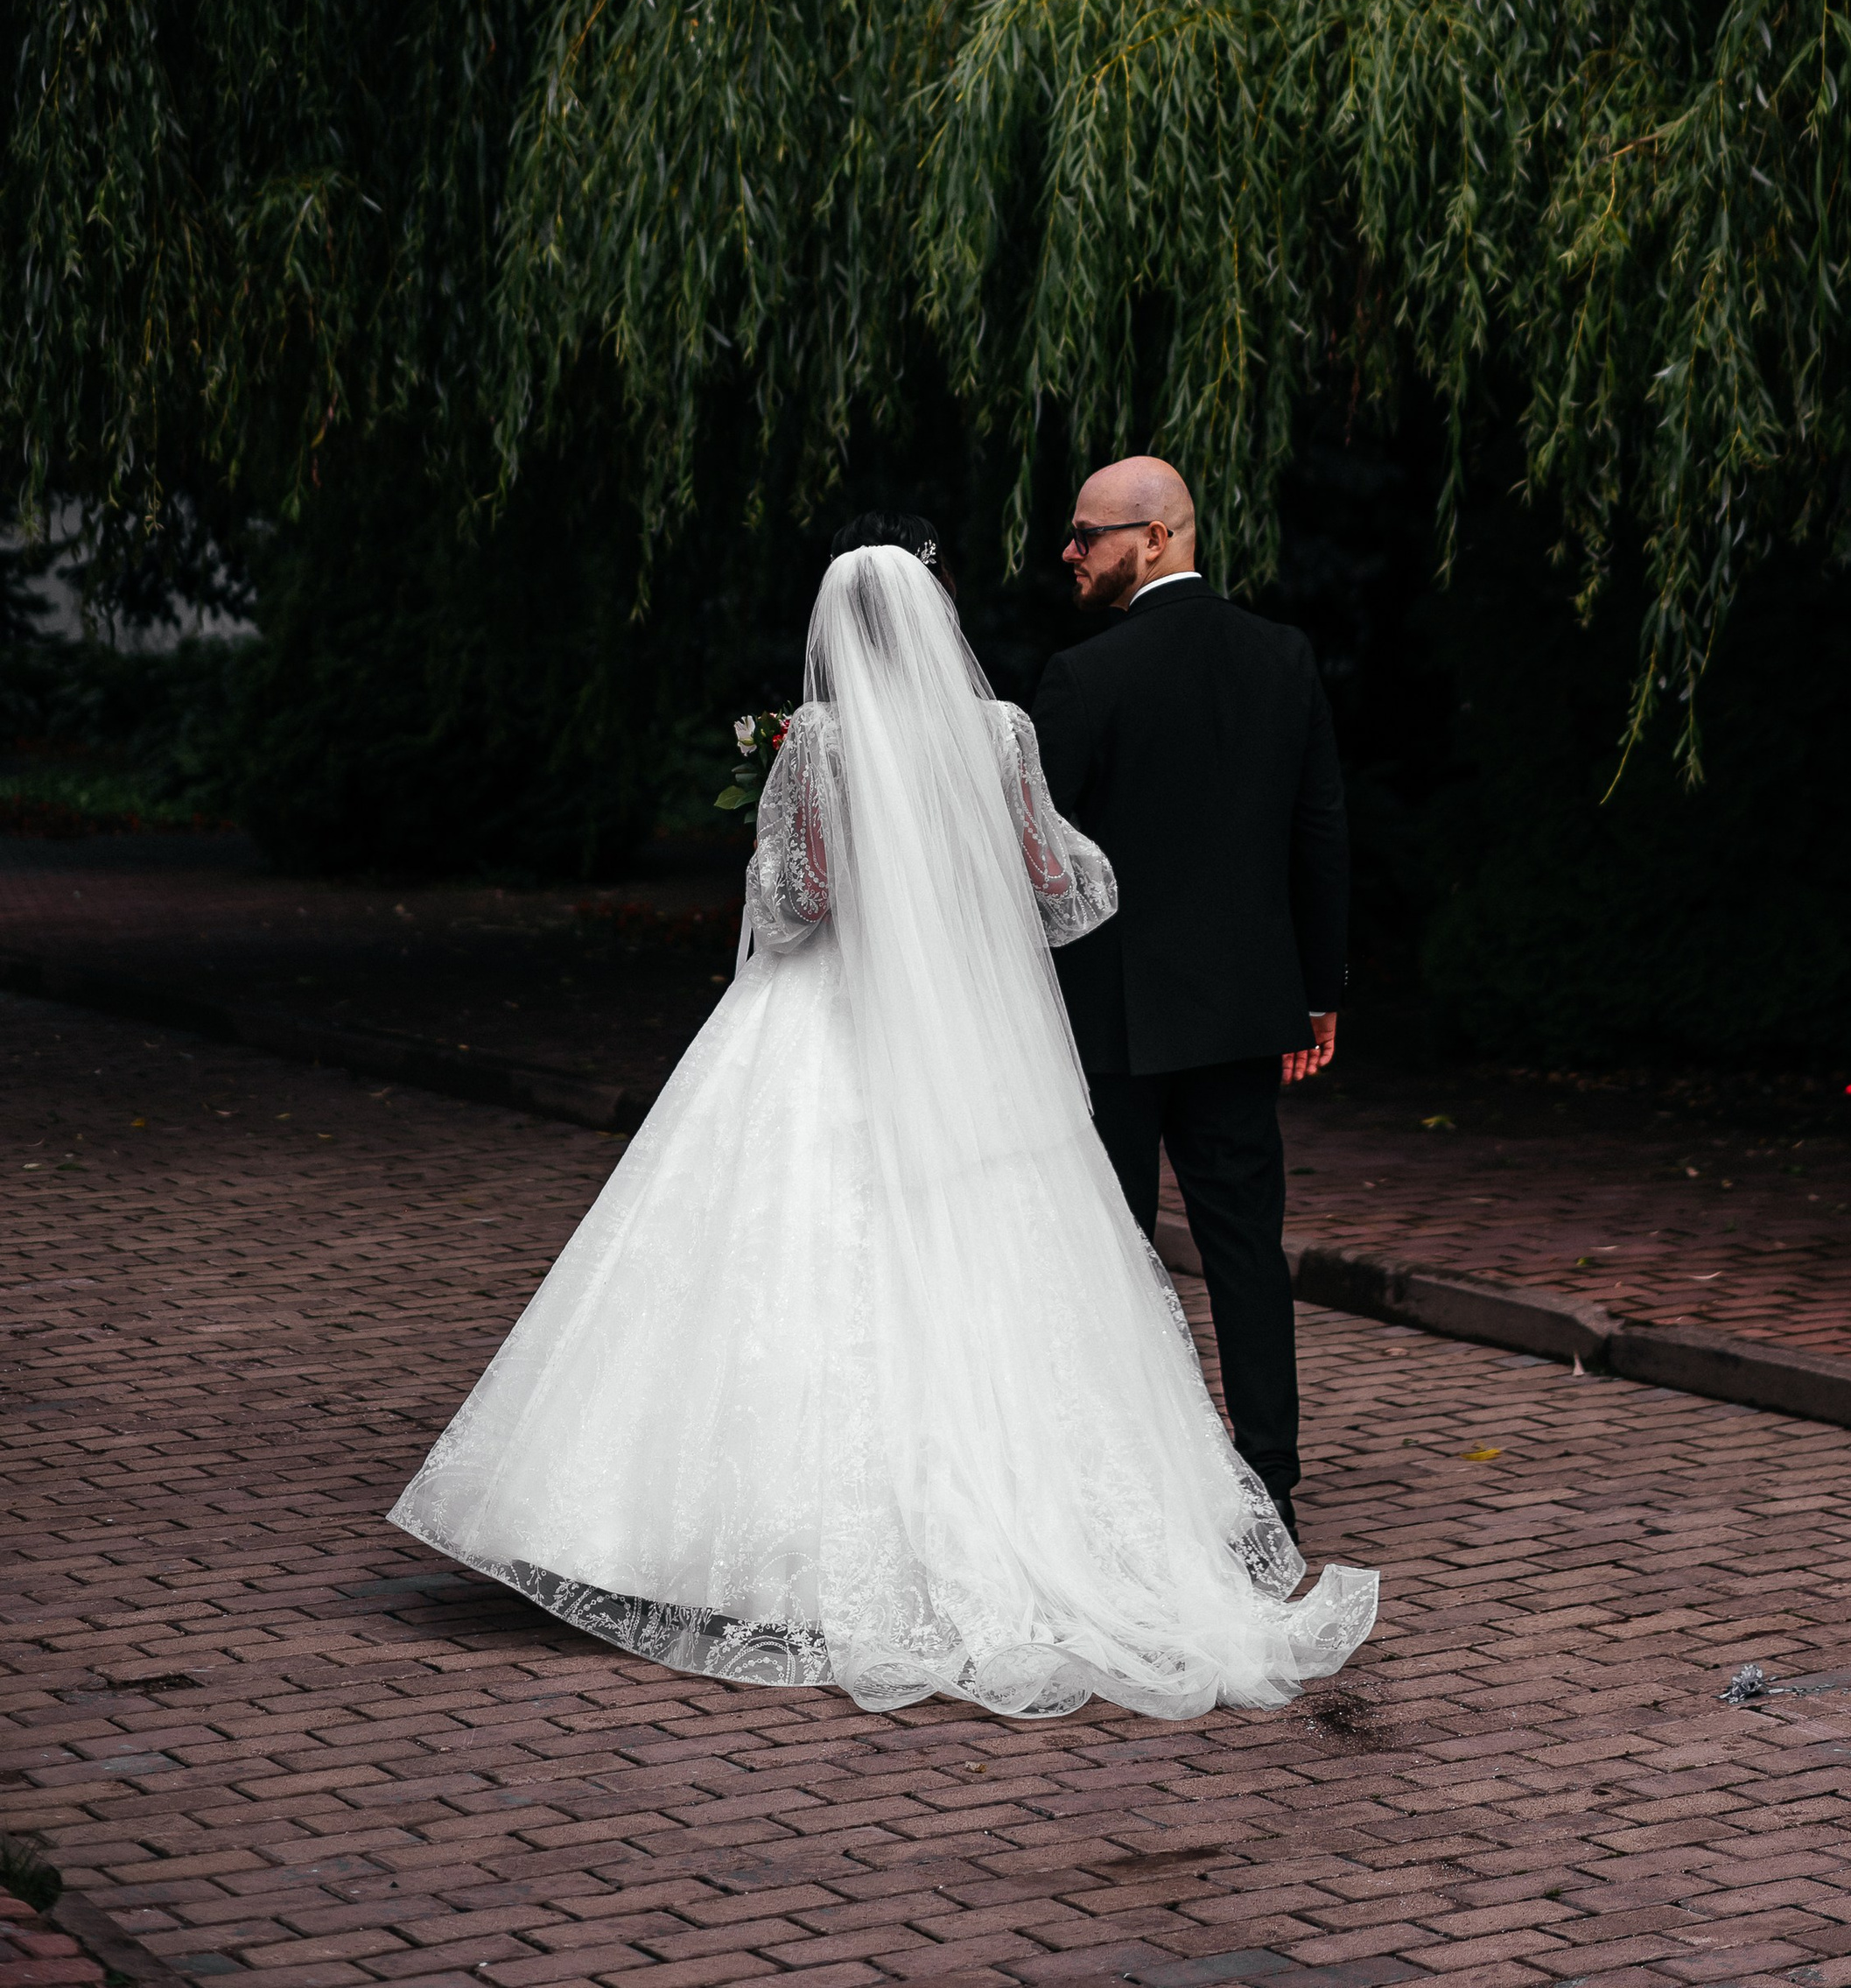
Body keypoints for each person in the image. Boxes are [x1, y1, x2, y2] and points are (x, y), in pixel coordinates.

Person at [388, 510, 1375, 1721]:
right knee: (1009, 1267)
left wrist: (796, 822)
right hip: (969, 1041)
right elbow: (1066, 888)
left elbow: (797, 904)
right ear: (936, 616)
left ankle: (714, 1546)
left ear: (832, 632)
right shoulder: (1003, 730)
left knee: (773, 1261)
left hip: (825, 1024)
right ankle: (1080, 1520)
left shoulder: (823, 744)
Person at [1033, 459, 1345, 1542]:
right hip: (1237, 1017)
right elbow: (1318, 833)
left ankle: (1132, 1482)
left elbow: (1042, 867)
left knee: (1113, 1252)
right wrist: (1317, 992)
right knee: (1246, 1251)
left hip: (1111, 1023)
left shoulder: (1083, 678)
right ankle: (1268, 1483)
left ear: (1157, 538)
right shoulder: (1282, 657)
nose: (1067, 553)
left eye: (1087, 535)